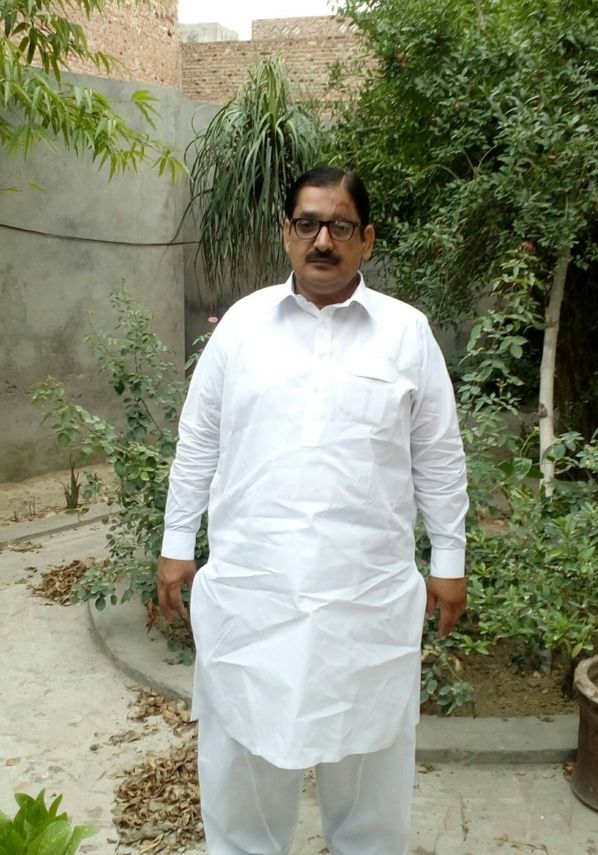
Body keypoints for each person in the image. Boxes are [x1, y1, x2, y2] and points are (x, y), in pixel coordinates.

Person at [157, 166, 468, 855]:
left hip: (365, 597)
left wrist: (449, 558)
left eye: (341, 226)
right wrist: (177, 541)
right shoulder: (242, 327)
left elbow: (438, 454)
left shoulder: (406, 334)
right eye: (307, 224)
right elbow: (199, 437)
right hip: (255, 593)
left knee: (370, 773)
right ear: (286, 233)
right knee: (243, 764)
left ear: (367, 239)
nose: (322, 240)